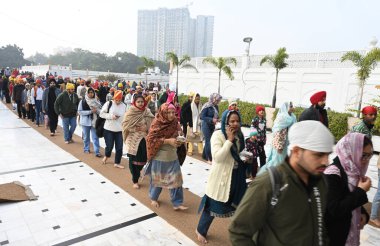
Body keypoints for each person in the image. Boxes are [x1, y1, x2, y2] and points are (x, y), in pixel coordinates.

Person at [229, 121, 335, 245]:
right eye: (319, 155)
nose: (326, 162)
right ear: (296, 152)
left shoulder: (320, 182)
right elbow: (238, 231)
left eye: (328, 155)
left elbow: (319, 226)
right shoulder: (269, 183)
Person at [196, 109, 247, 244]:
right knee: (212, 207)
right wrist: (229, 140)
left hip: (235, 178)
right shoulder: (218, 135)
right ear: (225, 121)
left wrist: (244, 159)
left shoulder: (239, 135)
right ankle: (200, 230)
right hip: (221, 179)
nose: (235, 124)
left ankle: (241, 235)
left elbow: (238, 152)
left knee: (238, 206)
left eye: (237, 121)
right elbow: (217, 157)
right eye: (232, 121)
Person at [324, 133, 372, 246]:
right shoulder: (332, 174)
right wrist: (361, 191)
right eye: (363, 155)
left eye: (369, 155)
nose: (366, 160)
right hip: (335, 237)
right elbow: (334, 209)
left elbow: (351, 201)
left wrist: (364, 215)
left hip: (348, 234)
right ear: (350, 151)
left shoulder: (353, 172)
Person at [146, 103, 188, 210]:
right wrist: (167, 141)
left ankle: (177, 203)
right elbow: (150, 139)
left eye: (173, 112)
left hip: (172, 155)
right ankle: (153, 198)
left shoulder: (175, 122)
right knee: (158, 180)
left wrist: (180, 141)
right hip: (160, 157)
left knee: (176, 180)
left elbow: (180, 134)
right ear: (163, 112)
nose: (171, 115)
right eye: (168, 112)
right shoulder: (157, 123)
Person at [122, 95, 155, 189]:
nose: (140, 103)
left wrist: (146, 128)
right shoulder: (130, 112)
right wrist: (135, 128)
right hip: (133, 140)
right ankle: (135, 180)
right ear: (134, 103)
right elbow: (125, 126)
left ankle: (139, 172)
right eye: (138, 102)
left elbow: (153, 124)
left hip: (144, 139)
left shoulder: (147, 111)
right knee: (134, 161)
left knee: (144, 159)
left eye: (142, 102)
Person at [258, 102, 296, 175]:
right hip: (280, 144)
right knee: (276, 161)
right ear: (286, 107)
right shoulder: (282, 117)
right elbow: (277, 132)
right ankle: (264, 175)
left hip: (288, 144)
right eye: (290, 106)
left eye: (292, 106)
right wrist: (279, 146)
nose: (292, 107)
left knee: (284, 162)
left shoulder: (293, 117)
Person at [100, 90, 127, 169]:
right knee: (109, 146)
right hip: (108, 129)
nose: (118, 102)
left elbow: (126, 116)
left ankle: (117, 162)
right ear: (113, 98)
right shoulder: (109, 103)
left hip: (119, 129)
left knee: (119, 147)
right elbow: (101, 114)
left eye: (119, 100)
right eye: (116, 100)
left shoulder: (124, 106)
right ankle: (107, 155)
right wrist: (111, 116)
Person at [78, 88, 102, 157]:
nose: (91, 94)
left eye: (92, 92)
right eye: (90, 92)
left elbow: (101, 111)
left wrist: (96, 110)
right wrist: (90, 111)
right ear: (87, 93)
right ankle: (86, 149)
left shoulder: (96, 101)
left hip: (94, 122)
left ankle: (97, 151)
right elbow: (79, 111)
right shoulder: (83, 101)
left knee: (95, 137)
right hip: (85, 122)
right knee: (86, 137)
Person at [200, 93, 222, 164]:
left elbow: (216, 116)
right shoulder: (207, 106)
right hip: (205, 125)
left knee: (209, 140)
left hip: (212, 125)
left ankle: (204, 155)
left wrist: (218, 119)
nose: (218, 102)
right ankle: (209, 158)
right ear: (213, 99)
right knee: (208, 141)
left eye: (219, 100)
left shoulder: (216, 107)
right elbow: (202, 116)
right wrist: (211, 119)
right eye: (217, 100)